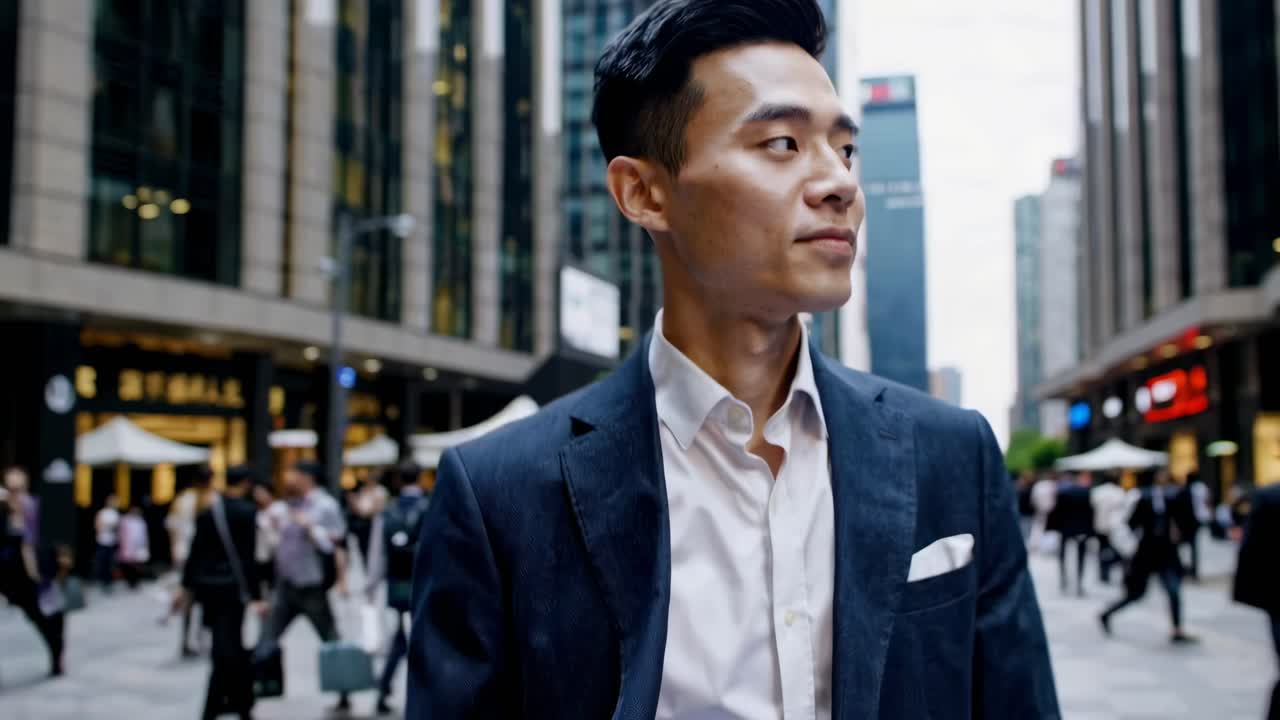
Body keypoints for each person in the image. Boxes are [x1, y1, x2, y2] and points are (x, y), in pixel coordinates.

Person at [406, 2, 1059, 717]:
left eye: (844, 150)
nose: (840, 183)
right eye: (781, 143)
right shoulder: (501, 493)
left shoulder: (950, 455)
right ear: (643, 193)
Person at [254, 461, 350, 712]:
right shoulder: (285, 506)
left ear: (307, 478)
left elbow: (336, 540)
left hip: (311, 585)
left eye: (292, 475)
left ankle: (344, 688)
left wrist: (311, 528)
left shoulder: (324, 505)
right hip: (285, 585)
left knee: (329, 638)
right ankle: (253, 690)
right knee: (266, 639)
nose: (287, 480)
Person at [180, 465, 262, 720]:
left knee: (227, 646)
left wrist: (186, 588)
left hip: (208, 589)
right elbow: (249, 558)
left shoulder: (209, 512)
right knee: (228, 650)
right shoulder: (247, 513)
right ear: (246, 483)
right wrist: (257, 595)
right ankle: (221, 706)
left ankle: (236, 704)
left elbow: (195, 552)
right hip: (232, 589)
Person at [1100, 469, 1197, 644]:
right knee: (1136, 593)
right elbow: (1126, 523)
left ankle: (1177, 629)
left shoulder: (1172, 496)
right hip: (1146, 552)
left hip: (1166, 552)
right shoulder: (1140, 497)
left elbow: (1181, 520)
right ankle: (1107, 614)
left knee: (1173, 590)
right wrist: (1130, 547)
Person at [365, 462, 430, 716]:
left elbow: (377, 553)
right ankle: (415, 692)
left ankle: (384, 688)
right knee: (416, 638)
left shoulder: (388, 511)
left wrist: (371, 586)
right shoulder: (430, 506)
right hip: (424, 583)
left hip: (397, 584)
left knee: (401, 638)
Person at [0, 466, 65, 677]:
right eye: (11, 489)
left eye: (19, 488)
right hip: (9, 577)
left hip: (37, 577)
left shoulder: (36, 510)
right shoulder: (3, 513)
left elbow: (52, 540)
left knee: (48, 621)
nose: (16, 494)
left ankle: (57, 657)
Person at [167, 465, 212, 657]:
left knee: (188, 600)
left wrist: (175, 551)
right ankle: (200, 640)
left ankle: (187, 641)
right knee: (204, 601)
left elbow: (172, 527)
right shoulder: (212, 499)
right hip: (203, 557)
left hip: (185, 555)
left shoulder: (183, 499)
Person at [1052, 472, 1095, 596]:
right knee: (1080, 557)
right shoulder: (1087, 493)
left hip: (1065, 528)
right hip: (1081, 529)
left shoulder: (1064, 493)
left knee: (1063, 555)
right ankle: (1079, 583)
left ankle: (1063, 579)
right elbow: (1090, 513)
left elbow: (1057, 512)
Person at [1090, 473, 1131, 585]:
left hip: (1100, 524)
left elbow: (1093, 507)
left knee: (1102, 549)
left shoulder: (1097, 491)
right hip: (1115, 526)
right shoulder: (1119, 492)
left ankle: (1104, 572)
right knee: (1117, 549)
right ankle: (1117, 571)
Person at [346, 471, 388, 570]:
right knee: (363, 548)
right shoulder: (363, 490)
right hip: (362, 523)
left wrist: (364, 511)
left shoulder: (379, 491)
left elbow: (377, 508)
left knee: (373, 549)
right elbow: (358, 508)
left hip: (374, 523)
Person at [1174, 471, 1211, 581]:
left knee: (1186, 546)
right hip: (1199, 518)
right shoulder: (1201, 488)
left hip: (1190, 521)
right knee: (1193, 546)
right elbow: (1207, 501)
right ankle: (1191, 570)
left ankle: (1187, 569)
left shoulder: (1187, 489)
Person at [117, 504, 151, 588]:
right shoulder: (125, 520)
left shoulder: (141, 521)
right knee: (129, 564)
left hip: (139, 546)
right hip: (128, 546)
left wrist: (145, 545)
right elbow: (121, 534)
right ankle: (130, 581)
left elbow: (144, 535)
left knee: (138, 564)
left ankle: (136, 581)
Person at [93, 494, 121, 591]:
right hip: (103, 541)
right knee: (102, 562)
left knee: (111, 563)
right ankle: (102, 581)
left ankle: (109, 582)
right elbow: (97, 525)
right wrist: (105, 527)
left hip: (113, 541)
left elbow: (118, 527)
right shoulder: (103, 512)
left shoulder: (116, 513)